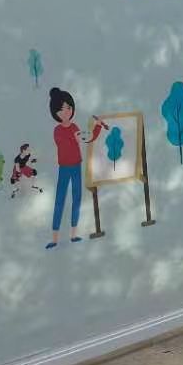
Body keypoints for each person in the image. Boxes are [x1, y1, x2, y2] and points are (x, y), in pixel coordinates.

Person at [47, 87, 103, 249]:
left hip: (76, 166)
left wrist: (97, 127)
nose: (66, 112)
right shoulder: (57, 130)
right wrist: (79, 136)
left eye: (69, 108)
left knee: (76, 199)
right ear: (56, 112)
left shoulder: (75, 128)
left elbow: (87, 138)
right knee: (60, 200)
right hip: (64, 168)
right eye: (62, 109)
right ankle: (55, 238)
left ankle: (73, 234)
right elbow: (69, 140)